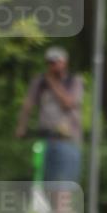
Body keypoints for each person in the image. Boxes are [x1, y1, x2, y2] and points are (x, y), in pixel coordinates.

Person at [15, 47, 84, 197]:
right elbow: (28, 104)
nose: (52, 66)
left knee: (64, 185)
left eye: (55, 62)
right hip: (46, 139)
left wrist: (52, 83)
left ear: (64, 63)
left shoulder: (74, 81)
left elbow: (68, 103)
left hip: (68, 140)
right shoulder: (40, 82)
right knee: (47, 183)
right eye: (50, 63)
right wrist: (21, 126)